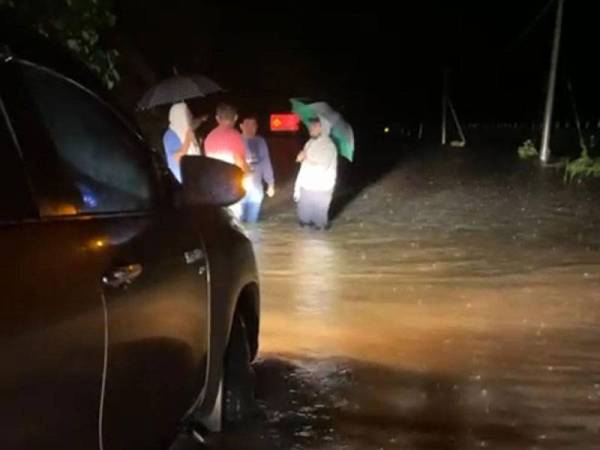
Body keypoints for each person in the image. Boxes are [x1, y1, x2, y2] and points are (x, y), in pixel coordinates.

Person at [204, 103, 250, 218]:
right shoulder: (235, 135)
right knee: (235, 221)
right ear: (235, 118)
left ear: (217, 118)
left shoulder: (209, 137)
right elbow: (239, 162)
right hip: (231, 187)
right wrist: (248, 171)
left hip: (213, 188)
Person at [294, 117, 338, 230]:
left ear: (322, 128)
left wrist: (306, 157)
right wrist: (297, 187)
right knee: (303, 222)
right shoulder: (309, 143)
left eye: (315, 125)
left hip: (321, 190)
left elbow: (322, 167)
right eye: (310, 125)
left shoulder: (329, 146)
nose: (310, 128)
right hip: (305, 189)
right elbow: (303, 168)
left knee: (319, 225)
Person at [239, 115, 275, 223]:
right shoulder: (235, 140)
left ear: (257, 127)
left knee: (252, 224)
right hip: (238, 190)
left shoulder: (260, 141)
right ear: (241, 126)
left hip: (256, 190)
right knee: (238, 225)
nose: (250, 128)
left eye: (253, 125)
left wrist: (271, 184)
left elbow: (266, 162)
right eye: (247, 125)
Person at [163, 102, 203, 182]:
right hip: (184, 179)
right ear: (180, 116)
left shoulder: (184, 130)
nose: (190, 116)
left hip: (194, 176)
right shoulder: (170, 135)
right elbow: (178, 157)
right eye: (187, 114)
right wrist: (188, 138)